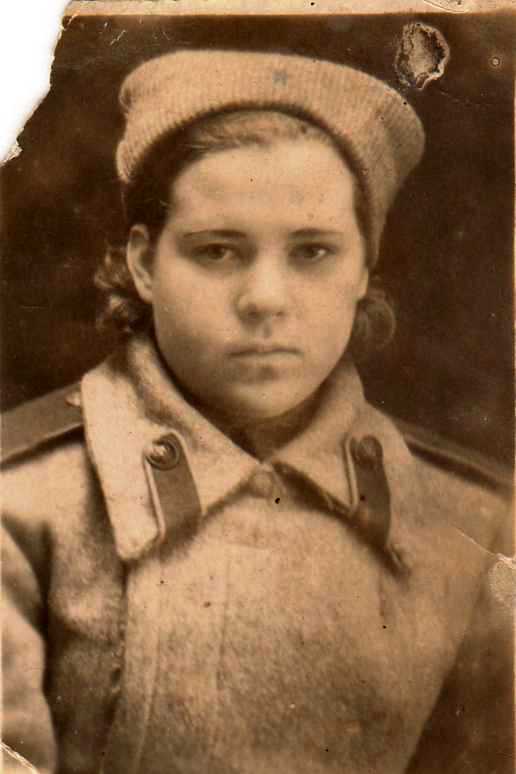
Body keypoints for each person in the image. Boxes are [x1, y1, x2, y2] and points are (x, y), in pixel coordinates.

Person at [2, 49, 512, 774]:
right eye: (217, 251)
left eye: (313, 252)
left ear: (363, 268)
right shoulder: (22, 505)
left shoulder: (477, 522)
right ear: (144, 264)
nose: (265, 300)